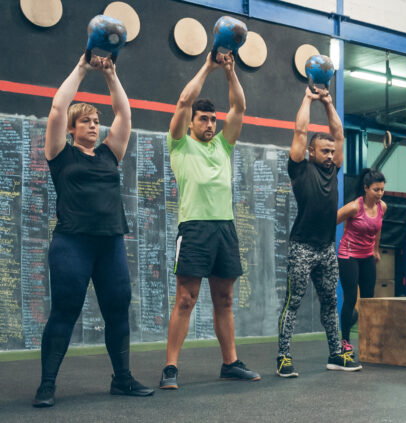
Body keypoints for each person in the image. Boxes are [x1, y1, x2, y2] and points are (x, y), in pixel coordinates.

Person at [34, 55, 153, 407]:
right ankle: (47, 384)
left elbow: (125, 115)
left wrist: (112, 75)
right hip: (72, 243)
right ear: (72, 129)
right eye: (85, 121)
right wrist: (84, 67)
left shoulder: (109, 154)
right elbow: (58, 108)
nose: (93, 126)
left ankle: (123, 379)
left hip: (110, 244)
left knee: (118, 310)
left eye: (96, 121)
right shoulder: (61, 154)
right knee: (64, 311)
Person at [160, 52, 259, 389]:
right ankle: (171, 367)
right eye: (202, 119)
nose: (209, 124)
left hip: (224, 229)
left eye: (211, 120)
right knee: (185, 299)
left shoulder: (222, 146)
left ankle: (230, 362)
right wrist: (208, 66)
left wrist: (230, 72)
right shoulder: (179, 145)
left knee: (225, 300)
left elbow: (239, 108)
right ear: (191, 122)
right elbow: (184, 99)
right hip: (195, 228)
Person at [276, 86, 362, 378]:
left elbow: (339, 134)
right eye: (324, 151)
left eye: (331, 152)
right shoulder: (299, 168)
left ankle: (336, 354)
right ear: (310, 152)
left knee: (330, 303)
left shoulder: (333, 170)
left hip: (326, 248)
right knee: (294, 302)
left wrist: (327, 102)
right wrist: (308, 99)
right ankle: (284, 356)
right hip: (302, 247)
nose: (329, 155)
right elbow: (300, 133)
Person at [336, 169, 387, 353]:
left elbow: (377, 229)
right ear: (366, 188)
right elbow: (333, 220)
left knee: (368, 299)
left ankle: (368, 338)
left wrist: (375, 249)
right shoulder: (353, 207)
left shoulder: (383, 206)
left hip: (367, 256)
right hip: (348, 256)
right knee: (350, 299)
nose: (380, 193)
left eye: (382, 189)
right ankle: (345, 341)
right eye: (376, 189)